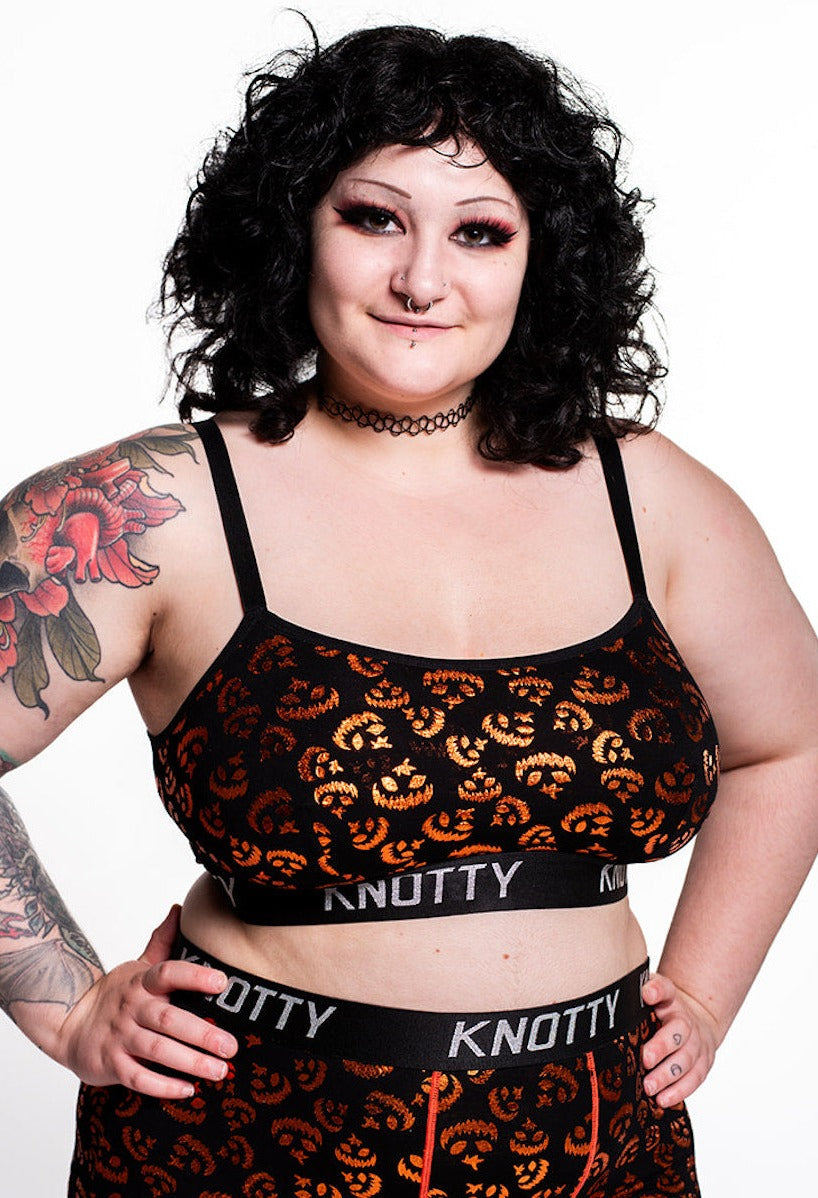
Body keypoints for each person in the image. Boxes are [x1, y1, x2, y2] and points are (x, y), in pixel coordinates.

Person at [1, 22, 816, 1197]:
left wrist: (700, 991)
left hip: (600, 1152)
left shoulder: (651, 497)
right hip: (247, 1145)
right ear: (292, 226)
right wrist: (69, 1003)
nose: (422, 280)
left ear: (543, 257)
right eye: (374, 218)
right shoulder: (153, 508)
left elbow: (788, 743)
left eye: (479, 231)